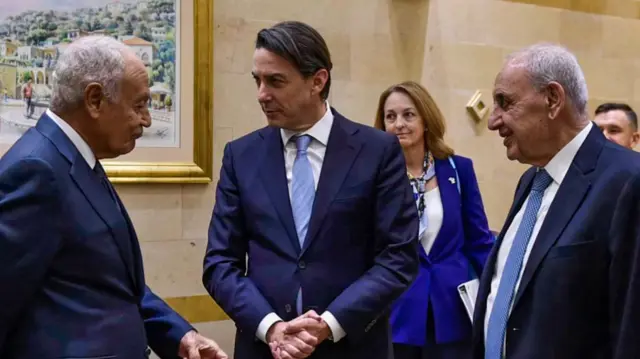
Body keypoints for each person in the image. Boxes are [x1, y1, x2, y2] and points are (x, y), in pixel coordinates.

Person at [0, 35, 227, 359]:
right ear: (94, 100)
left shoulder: (77, 159)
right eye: (139, 105)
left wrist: (180, 336)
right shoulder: (37, 170)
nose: (146, 120)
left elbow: (113, 283)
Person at [203, 21, 419, 359]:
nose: (262, 94)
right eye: (257, 80)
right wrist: (271, 327)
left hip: (352, 347)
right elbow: (219, 262)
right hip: (266, 349)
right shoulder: (240, 156)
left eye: (275, 81)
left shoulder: (377, 151)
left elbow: (398, 258)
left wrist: (329, 324)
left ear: (317, 81)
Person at [472, 42, 640, 359]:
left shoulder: (628, 182)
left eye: (505, 103)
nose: (494, 121)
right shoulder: (531, 181)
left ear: (552, 100)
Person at [374, 81, 494, 359]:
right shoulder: (375, 177)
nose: (399, 124)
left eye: (408, 114)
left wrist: (496, 295)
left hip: (452, 309)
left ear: (426, 119)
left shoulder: (459, 169)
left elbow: (479, 240)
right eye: (390, 117)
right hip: (398, 310)